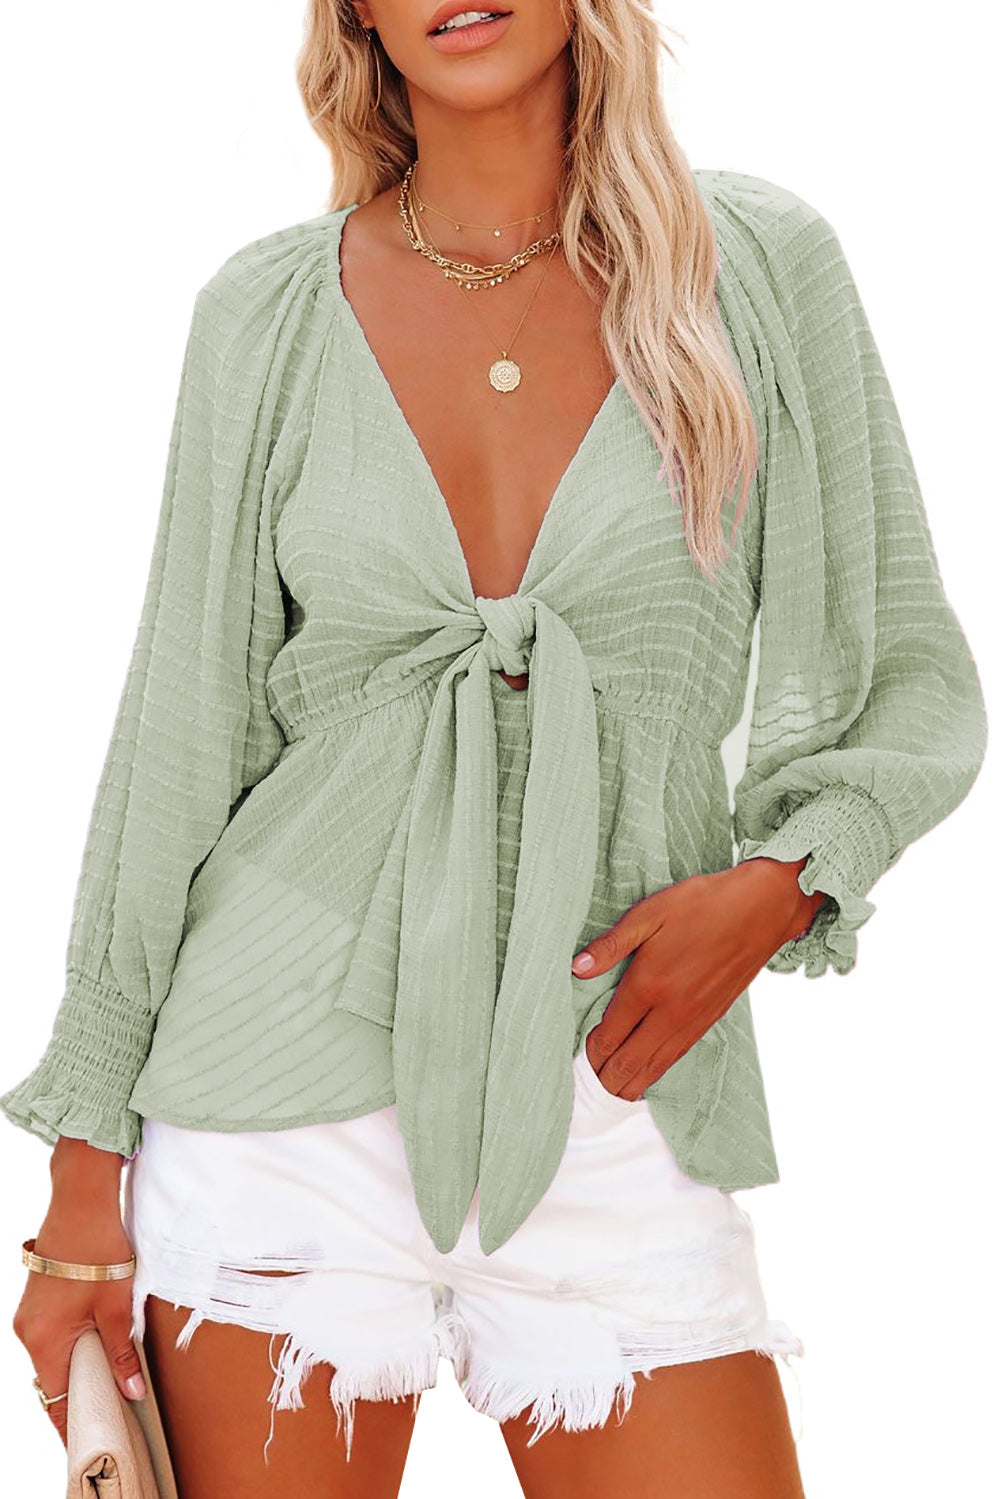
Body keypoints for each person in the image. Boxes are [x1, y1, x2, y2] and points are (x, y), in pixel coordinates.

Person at [4, 0, 987, 1493]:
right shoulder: (266, 314)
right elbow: (177, 741)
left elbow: (906, 672)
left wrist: (786, 882)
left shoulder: (755, 265)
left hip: (616, 1083)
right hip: (279, 1100)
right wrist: (82, 1190)